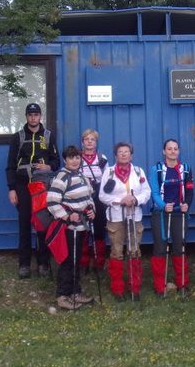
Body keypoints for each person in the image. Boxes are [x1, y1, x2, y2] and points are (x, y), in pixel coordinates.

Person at [5, 102, 59, 279]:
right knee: (24, 224)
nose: (33, 118)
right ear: (26, 116)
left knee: (42, 224)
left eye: (36, 115)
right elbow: (10, 166)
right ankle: (24, 264)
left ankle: (43, 263)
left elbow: (56, 162)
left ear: (40, 116)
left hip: (42, 187)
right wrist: (12, 189)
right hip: (22, 186)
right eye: (30, 115)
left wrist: (48, 166)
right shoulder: (18, 137)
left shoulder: (48, 136)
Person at [98, 142, 152, 301]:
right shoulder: (108, 172)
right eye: (120, 152)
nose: (123, 154)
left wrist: (135, 199)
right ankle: (118, 289)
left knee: (134, 251)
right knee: (116, 252)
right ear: (115, 155)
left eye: (126, 151)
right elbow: (102, 196)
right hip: (116, 218)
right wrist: (120, 200)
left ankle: (135, 287)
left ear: (131, 155)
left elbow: (147, 191)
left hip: (135, 216)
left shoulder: (138, 171)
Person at [46, 145, 97, 311]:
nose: (75, 161)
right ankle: (62, 295)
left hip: (81, 226)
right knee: (67, 260)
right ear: (65, 160)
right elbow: (51, 201)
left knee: (76, 259)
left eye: (77, 157)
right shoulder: (62, 177)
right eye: (71, 158)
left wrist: (92, 209)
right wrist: (67, 216)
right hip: (68, 228)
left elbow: (89, 197)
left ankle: (75, 292)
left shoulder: (81, 176)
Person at [148, 139, 194, 297]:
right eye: (169, 149)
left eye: (175, 149)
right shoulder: (156, 169)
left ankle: (183, 283)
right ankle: (160, 286)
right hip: (161, 213)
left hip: (179, 214)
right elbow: (154, 192)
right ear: (164, 151)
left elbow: (189, 191)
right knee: (160, 248)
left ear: (179, 151)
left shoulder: (185, 169)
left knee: (179, 247)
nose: (172, 151)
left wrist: (186, 204)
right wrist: (163, 205)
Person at [78, 128, 108, 273]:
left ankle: (99, 263)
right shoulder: (77, 157)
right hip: (81, 195)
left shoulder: (102, 158)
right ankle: (83, 263)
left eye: (93, 139)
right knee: (83, 229)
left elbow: (107, 178)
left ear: (96, 142)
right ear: (82, 142)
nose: (89, 142)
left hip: (98, 196)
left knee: (99, 229)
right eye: (87, 139)